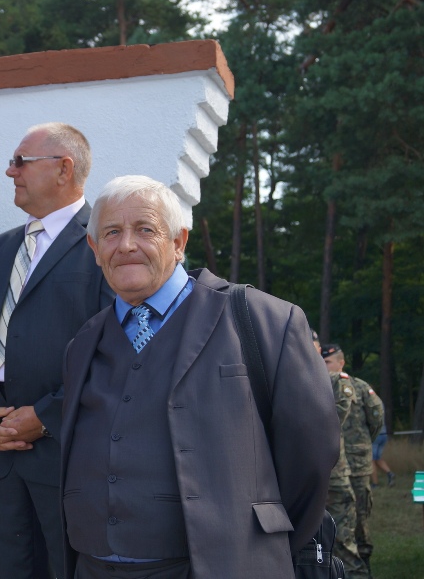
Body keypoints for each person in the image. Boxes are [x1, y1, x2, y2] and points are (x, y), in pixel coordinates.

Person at [59, 174, 337, 579]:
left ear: (179, 242)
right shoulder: (82, 343)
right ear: (95, 248)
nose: (127, 245)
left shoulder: (264, 320)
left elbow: (311, 456)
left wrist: (257, 545)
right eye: (112, 232)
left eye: (145, 229)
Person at [0, 122, 111, 578]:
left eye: (21, 161)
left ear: (64, 169)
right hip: (0, 451)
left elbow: (112, 349)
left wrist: (45, 416)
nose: (11, 171)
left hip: (66, 453)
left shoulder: (103, 243)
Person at [323, 343, 383, 576]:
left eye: (328, 362)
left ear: (341, 362)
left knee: (359, 519)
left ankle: (363, 564)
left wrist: (361, 448)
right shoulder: (318, 386)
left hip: (356, 466)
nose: (324, 366)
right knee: (341, 523)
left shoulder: (358, 387)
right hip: (335, 466)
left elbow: (376, 419)